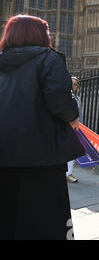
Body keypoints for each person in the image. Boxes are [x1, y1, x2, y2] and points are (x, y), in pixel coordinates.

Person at [0, 15, 85, 240]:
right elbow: (59, 98)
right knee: (45, 216)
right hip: (41, 153)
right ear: (36, 34)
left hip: (4, 151)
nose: (50, 37)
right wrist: (73, 118)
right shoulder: (48, 58)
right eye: (46, 32)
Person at [66, 76, 83, 183]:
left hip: (74, 128)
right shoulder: (65, 96)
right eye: (71, 83)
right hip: (65, 127)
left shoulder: (78, 98)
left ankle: (69, 173)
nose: (73, 85)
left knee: (71, 150)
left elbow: (79, 114)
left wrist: (80, 126)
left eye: (75, 84)